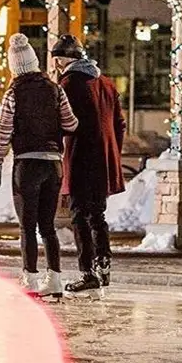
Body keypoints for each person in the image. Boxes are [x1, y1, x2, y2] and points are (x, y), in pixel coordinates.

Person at [0, 33, 79, 298]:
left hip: (27, 165)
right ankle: (55, 279)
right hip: (53, 165)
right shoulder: (55, 89)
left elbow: (3, 132)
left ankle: (29, 278)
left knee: (27, 226)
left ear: (14, 66)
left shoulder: (13, 94)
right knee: (48, 226)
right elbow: (72, 124)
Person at [51, 34, 126, 297]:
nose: (57, 65)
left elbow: (63, 122)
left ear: (67, 59)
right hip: (104, 159)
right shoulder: (106, 83)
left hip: (80, 157)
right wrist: (113, 150)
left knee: (79, 215)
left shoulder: (68, 84)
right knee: (97, 215)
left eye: (59, 59)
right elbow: (119, 124)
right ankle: (103, 264)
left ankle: (88, 273)